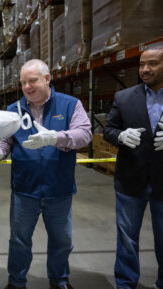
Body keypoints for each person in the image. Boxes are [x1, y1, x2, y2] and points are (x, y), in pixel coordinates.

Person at [0, 59, 92, 289]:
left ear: (47, 79)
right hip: (25, 190)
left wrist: (55, 138)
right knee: (19, 241)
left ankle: (59, 280)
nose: (27, 87)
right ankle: (16, 282)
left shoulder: (70, 105)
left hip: (58, 189)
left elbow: (84, 134)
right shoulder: (14, 111)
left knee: (62, 241)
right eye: (23, 82)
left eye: (32, 81)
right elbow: (5, 142)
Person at [103, 43, 163, 289]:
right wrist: (120, 136)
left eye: (152, 64)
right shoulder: (124, 97)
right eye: (141, 64)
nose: (145, 69)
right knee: (127, 238)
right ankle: (126, 283)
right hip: (130, 179)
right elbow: (108, 129)